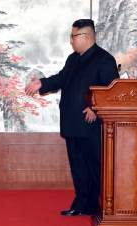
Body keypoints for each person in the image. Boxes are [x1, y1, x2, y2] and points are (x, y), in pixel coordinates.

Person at [25, 19, 119, 216]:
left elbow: (112, 91)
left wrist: (95, 107)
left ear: (85, 37)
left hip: (91, 124)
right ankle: (82, 205)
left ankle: (105, 207)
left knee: (96, 167)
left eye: (73, 36)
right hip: (71, 122)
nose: (71, 41)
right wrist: (41, 83)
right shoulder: (73, 59)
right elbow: (61, 78)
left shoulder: (104, 59)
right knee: (78, 166)